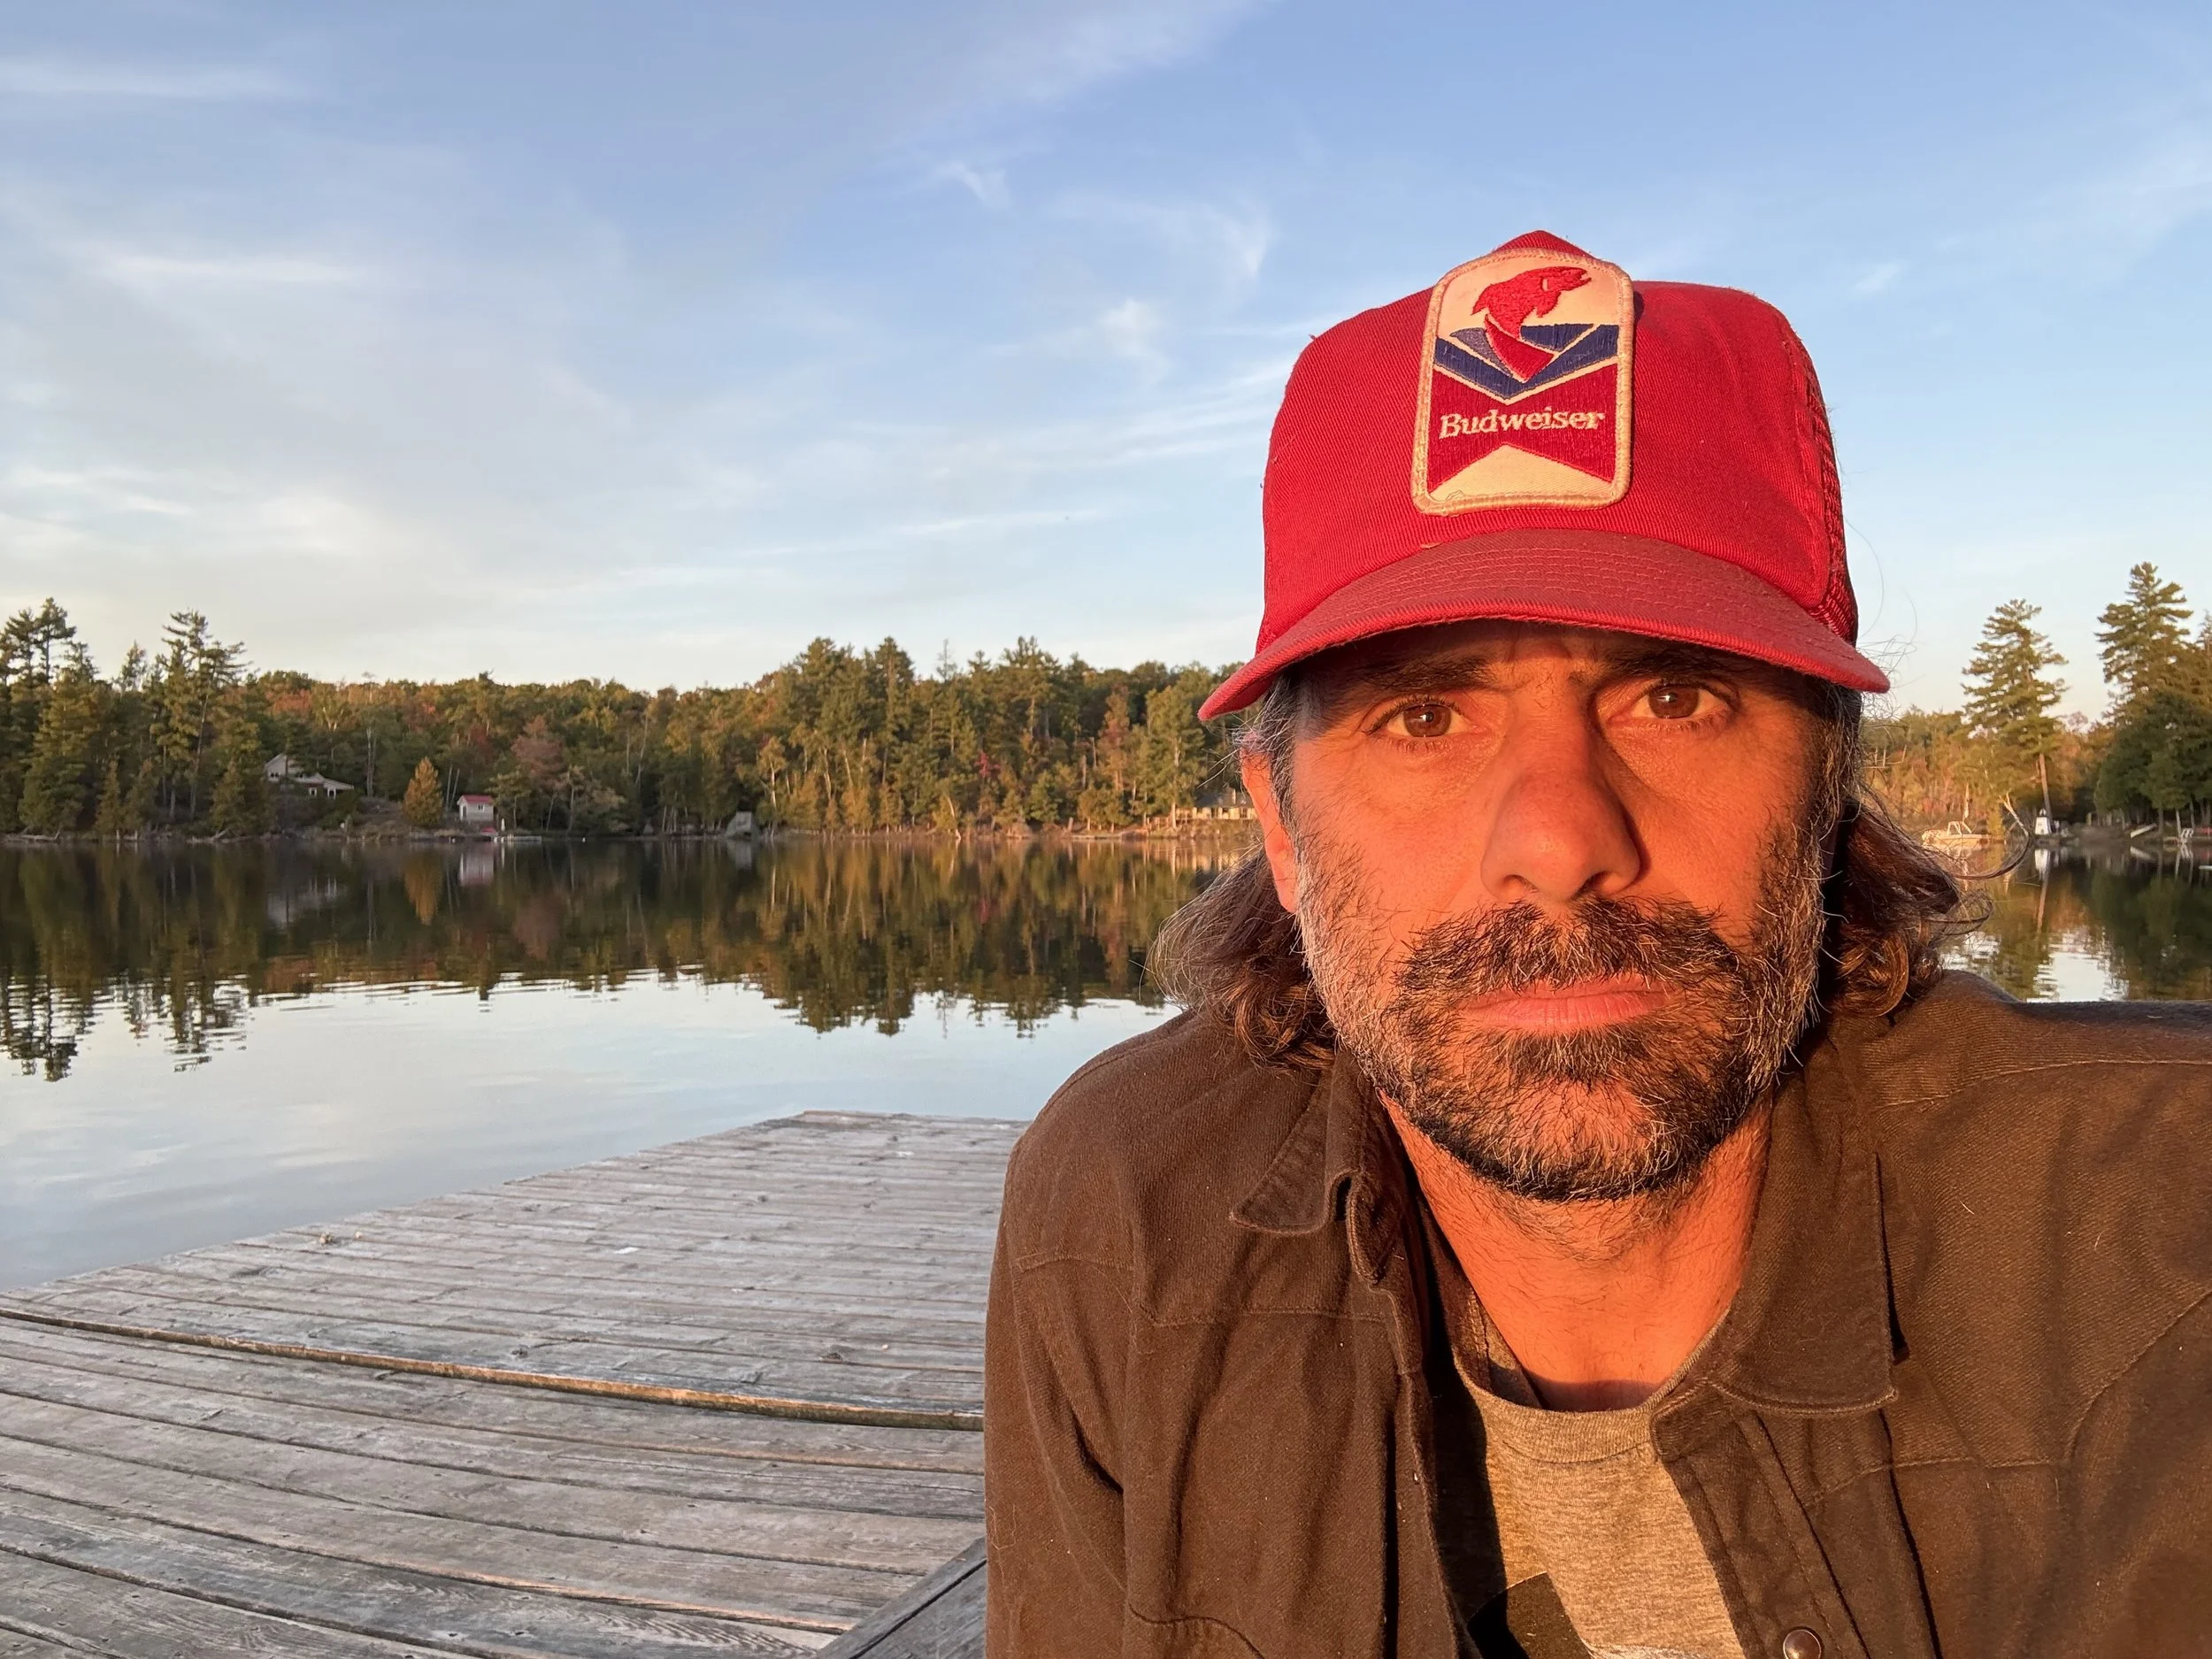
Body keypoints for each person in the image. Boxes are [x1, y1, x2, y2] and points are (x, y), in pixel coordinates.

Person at [983, 231, 2212, 1657]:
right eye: (1425, 716)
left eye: (1677, 697)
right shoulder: (1119, 1214)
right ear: (1279, 820)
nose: (1562, 837)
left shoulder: (2169, 1237)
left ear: (1826, 786)